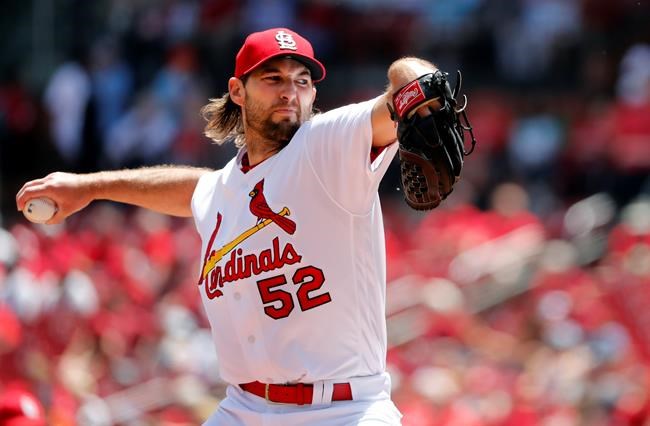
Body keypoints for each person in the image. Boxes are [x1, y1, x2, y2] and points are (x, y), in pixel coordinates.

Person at [17, 27, 442, 425]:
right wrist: (90, 188)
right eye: (272, 78)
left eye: (301, 80)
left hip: (345, 410)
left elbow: (414, 86)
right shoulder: (223, 189)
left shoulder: (326, 145)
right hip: (244, 408)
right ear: (237, 90)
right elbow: (194, 188)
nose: (290, 92)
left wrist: (418, 87)